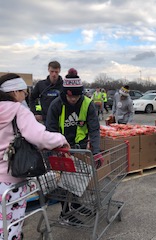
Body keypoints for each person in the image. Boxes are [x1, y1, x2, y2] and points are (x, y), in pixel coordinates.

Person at [0, 73, 69, 239]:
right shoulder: (18, 111)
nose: (25, 96)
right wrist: (61, 139)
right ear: (15, 92)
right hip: (11, 178)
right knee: (11, 225)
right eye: (24, 92)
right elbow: (39, 137)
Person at [46, 69, 101, 225]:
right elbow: (50, 129)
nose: (73, 99)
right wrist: (59, 148)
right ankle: (65, 213)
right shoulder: (56, 105)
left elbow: (94, 129)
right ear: (65, 93)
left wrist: (96, 152)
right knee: (64, 182)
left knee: (78, 180)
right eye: (70, 96)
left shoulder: (87, 104)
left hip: (80, 148)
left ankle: (76, 205)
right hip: (61, 149)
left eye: (76, 96)